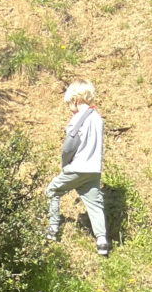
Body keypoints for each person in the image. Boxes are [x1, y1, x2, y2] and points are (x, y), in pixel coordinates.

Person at [46, 81, 110, 257]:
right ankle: (102, 241)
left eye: (69, 104)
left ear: (75, 100)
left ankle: (52, 228)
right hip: (94, 169)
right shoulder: (97, 118)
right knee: (95, 204)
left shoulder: (78, 119)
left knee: (52, 190)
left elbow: (69, 146)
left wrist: (65, 163)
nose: (69, 109)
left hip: (77, 167)